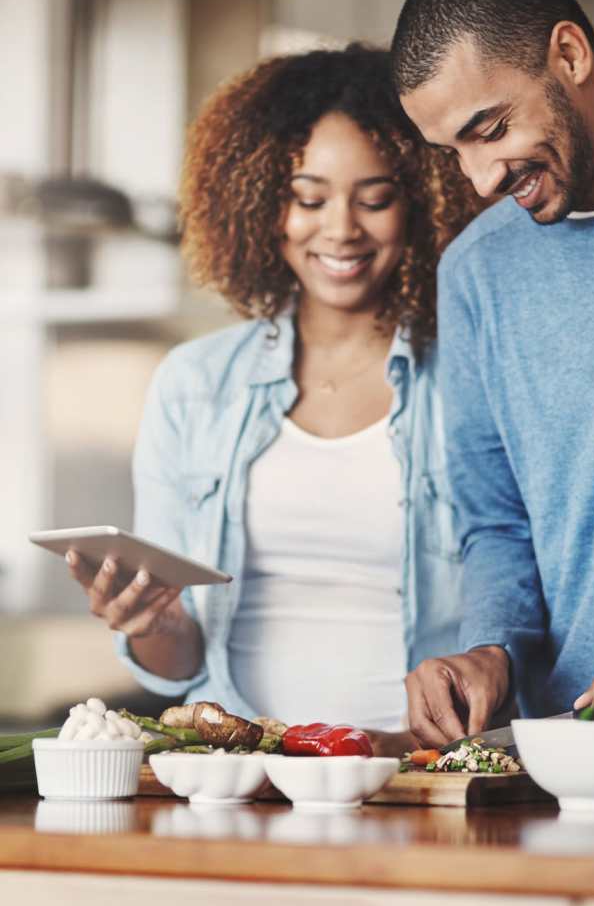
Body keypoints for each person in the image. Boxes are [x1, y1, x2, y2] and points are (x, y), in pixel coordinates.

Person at [66, 44, 481, 753]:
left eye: (374, 197)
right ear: (262, 205)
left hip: (417, 773)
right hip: (238, 779)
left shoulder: (472, 376)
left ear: (420, 202)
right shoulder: (194, 385)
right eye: (307, 198)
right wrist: (152, 622)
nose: (341, 228)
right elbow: (178, 669)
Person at [390, 0, 594, 745]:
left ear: (569, 54)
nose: (477, 179)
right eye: (453, 151)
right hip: (577, 764)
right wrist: (492, 652)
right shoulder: (478, 269)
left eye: (490, 129)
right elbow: (498, 522)